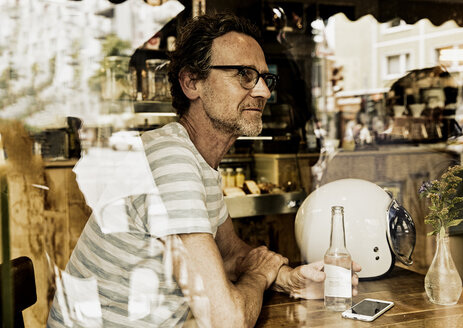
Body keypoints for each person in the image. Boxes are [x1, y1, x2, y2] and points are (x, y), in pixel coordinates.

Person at [47, 13, 360, 328]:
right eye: (244, 74)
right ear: (191, 82)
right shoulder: (171, 160)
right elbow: (227, 321)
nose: (264, 91)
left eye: (266, 78)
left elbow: (229, 252)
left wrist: (287, 278)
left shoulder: (198, 160)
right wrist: (261, 274)